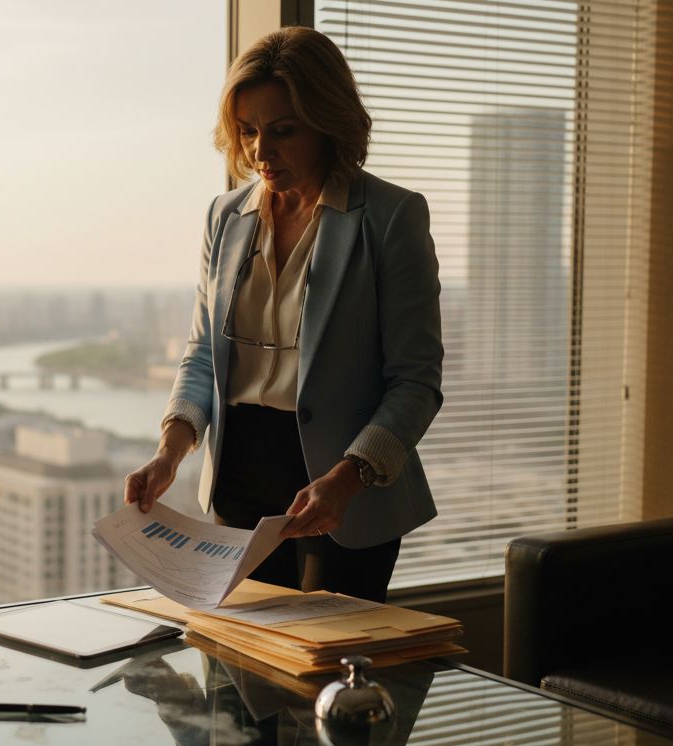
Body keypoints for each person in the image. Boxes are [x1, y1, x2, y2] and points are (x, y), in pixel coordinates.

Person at [123, 27, 443, 604]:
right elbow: (203, 355)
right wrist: (169, 452)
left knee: (325, 672)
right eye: (248, 132)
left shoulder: (391, 218)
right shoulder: (224, 217)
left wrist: (347, 479)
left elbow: (416, 383)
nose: (260, 152)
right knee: (244, 673)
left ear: (327, 123)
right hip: (239, 476)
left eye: (283, 131)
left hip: (344, 485)